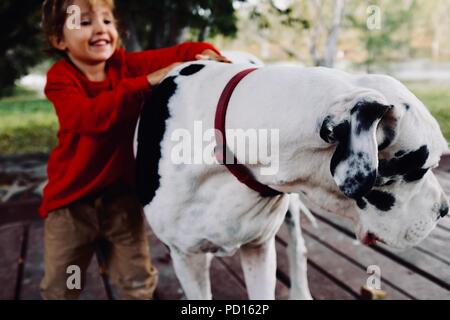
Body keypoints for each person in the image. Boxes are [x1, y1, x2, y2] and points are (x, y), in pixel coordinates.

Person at [40, 0, 229, 300]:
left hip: (121, 204)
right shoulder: (62, 78)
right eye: (85, 22)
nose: (101, 28)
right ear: (59, 40)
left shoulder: (125, 66)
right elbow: (88, 118)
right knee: (67, 282)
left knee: (138, 281)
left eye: (107, 20)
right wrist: (147, 82)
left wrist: (207, 53)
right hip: (72, 208)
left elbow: (184, 52)